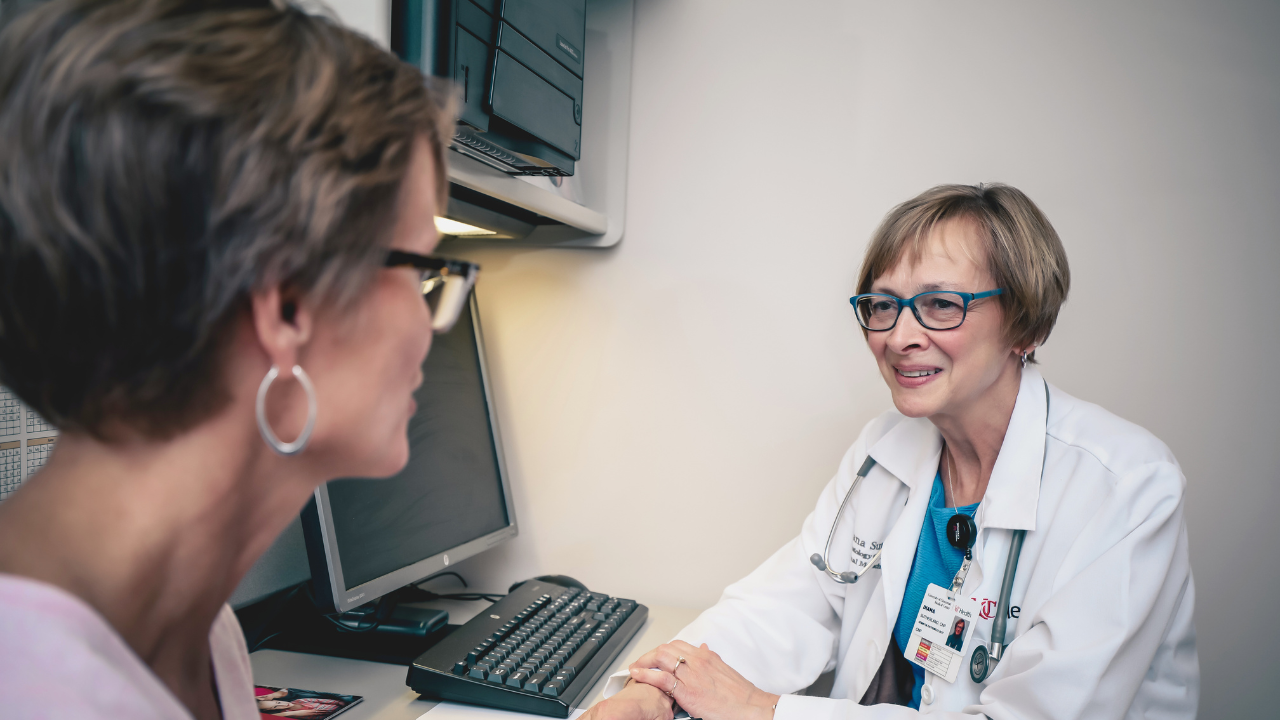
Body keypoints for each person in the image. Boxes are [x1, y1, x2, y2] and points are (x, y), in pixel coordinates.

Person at [0, 1, 466, 718]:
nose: (433, 321)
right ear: (286, 308)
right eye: (422, 269)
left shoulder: (202, 628)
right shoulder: (34, 689)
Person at [583, 184, 1198, 719]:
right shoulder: (886, 450)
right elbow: (783, 609)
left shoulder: (1125, 487)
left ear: (1025, 325)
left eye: (940, 304)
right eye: (883, 306)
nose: (901, 337)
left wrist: (763, 711)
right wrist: (656, 695)